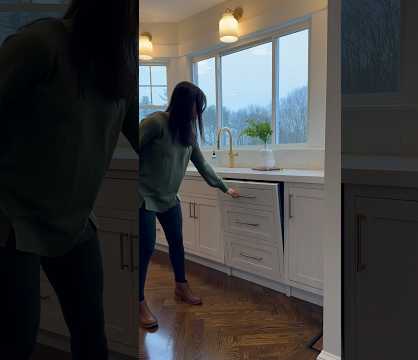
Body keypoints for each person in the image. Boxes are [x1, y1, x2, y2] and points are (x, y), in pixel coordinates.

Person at [0, 1, 138, 359]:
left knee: (92, 336)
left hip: (75, 223)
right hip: (15, 222)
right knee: (16, 341)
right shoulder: (42, 43)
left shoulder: (119, 69)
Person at [138, 81, 240, 328]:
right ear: (184, 103)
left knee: (177, 243)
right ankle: (138, 301)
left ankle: (181, 288)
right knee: (146, 247)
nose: (198, 113)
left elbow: (202, 164)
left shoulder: (188, 133)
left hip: (169, 198)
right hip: (143, 196)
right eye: (197, 107)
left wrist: (224, 187)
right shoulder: (155, 123)